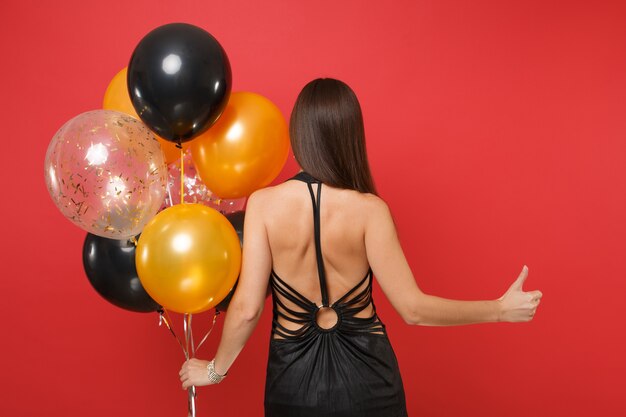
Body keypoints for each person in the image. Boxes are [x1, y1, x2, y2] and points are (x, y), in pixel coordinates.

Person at [178, 78, 543, 416]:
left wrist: (213, 371)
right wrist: (498, 310)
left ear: (299, 134)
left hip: (292, 384)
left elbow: (246, 309)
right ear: (350, 134)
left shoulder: (263, 205)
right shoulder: (370, 210)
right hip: (369, 382)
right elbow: (413, 309)